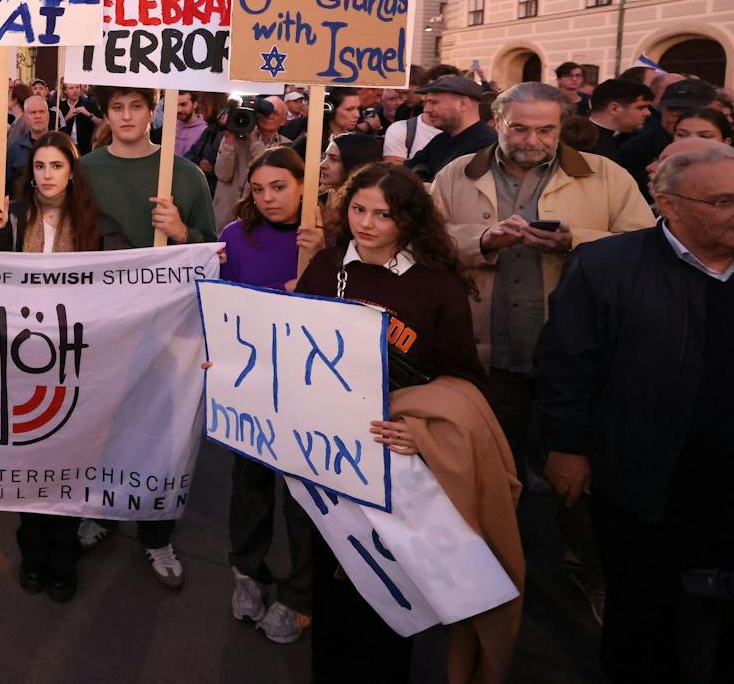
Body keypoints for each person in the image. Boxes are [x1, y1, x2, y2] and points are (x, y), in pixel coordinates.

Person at [429, 81, 654, 620]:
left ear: (562, 126)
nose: (533, 139)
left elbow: (645, 249)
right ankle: (487, 580)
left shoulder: (605, 175)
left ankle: (589, 572)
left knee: (578, 476)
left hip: (574, 363)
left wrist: (574, 240)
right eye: (520, 127)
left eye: (546, 129)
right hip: (488, 355)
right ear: (498, 121)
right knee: (488, 473)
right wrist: (482, 241)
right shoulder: (458, 174)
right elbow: (427, 241)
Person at [534, 143, 734, 681]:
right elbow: (566, 366)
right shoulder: (606, 266)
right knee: (643, 614)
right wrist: (567, 447)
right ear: (667, 204)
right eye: (722, 201)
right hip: (641, 477)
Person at [296, 163, 488, 681]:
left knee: (386, 588)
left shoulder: (437, 285)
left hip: (394, 460)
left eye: (385, 214)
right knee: (332, 578)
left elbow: (461, 383)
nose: (368, 223)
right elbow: (286, 346)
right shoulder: (327, 265)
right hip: (325, 453)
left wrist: (423, 432)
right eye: (359, 209)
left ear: (409, 220)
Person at [78, 86, 217, 589]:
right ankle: (102, 513)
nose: (127, 116)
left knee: (160, 430)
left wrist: (182, 232)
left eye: (137, 106)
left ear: (153, 108)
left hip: (167, 334)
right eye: (117, 107)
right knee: (102, 422)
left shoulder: (184, 175)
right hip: (103, 327)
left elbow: (213, 253)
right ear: (106, 113)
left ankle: (157, 533)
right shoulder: (85, 170)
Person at [0, 132, 125, 602]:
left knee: (67, 461)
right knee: (28, 457)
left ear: (71, 170)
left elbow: (129, 279)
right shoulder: (14, 215)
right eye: (39, 166)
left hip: (73, 360)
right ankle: (32, 551)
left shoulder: (98, 226)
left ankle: (62, 556)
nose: (46, 175)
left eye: (56, 166)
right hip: (19, 357)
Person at [216, 147, 318, 644]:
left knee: (304, 496)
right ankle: (248, 574)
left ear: (304, 184)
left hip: (312, 386)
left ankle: (300, 596)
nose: (268, 198)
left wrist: (318, 262)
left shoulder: (328, 240)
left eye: (279, 187)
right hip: (251, 382)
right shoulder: (236, 237)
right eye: (258, 189)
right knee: (250, 485)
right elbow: (223, 304)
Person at [618, 79, 717, 197]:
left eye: (691, 111)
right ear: (662, 110)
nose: (683, 119)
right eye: (674, 111)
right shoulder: (635, 149)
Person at [405, 75, 497, 181]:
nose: (427, 109)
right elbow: (411, 167)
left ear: (462, 104)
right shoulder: (440, 140)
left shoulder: (488, 144)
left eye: (434, 102)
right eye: (426, 103)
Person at [213, 96, 287, 229]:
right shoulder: (234, 138)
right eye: (263, 112)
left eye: (275, 113)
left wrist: (254, 142)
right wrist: (229, 138)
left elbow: (270, 173)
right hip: (226, 215)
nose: (268, 116)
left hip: (259, 219)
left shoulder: (287, 146)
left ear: (284, 121)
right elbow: (223, 175)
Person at [585, 77, 654, 161]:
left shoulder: (638, 141)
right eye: (641, 108)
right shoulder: (581, 144)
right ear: (614, 109)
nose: (647, 113)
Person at [319, 132, 383, 201]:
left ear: (354, 164)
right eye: (325, 156)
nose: (322, 165)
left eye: (334, 159)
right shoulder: (314, 204)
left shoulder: (379, 203)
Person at [6, 94, 51, 185]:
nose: (37, 116)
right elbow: (8, 181)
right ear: (25, 117)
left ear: (48, 115)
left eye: (41, 112)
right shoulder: (15, 148)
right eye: (33, 113)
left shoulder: (60, 145)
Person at [171, 91, 206, 156]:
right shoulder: (170, 127)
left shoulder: (204, 130)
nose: (178, 110)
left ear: (195, 104)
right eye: (175, 105)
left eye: (183, 104)